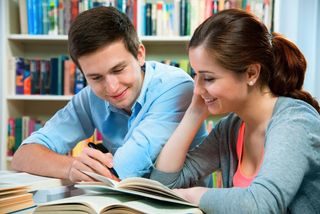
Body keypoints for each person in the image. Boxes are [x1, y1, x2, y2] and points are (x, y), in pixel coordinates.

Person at [150, 9, 320, 213]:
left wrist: (192, 195)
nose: (197, 89)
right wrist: (194, 113)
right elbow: (164, 183)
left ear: (251, 73)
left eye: (209, 78)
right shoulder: (232, 127)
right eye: (196, 75)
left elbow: (261, 205)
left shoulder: (295, 122)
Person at [11, 7, 207, 182]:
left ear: (140, 54)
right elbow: (23, 155)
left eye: (118, 69)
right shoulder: (89, 98)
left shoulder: (176, 87)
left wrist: (88, 170)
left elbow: (121, 170)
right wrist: (70, 167)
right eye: (96, 77)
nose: (112, 88)